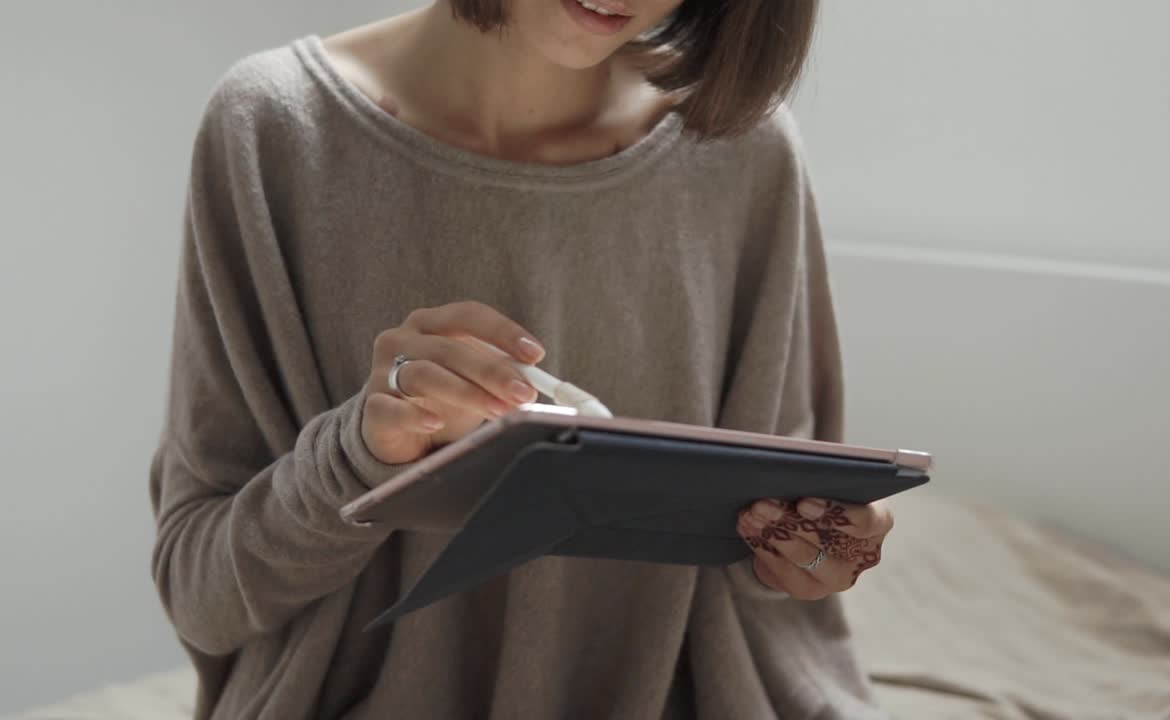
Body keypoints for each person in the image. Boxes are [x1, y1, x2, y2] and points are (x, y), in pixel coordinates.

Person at [149, 0, 896, 717]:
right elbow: (202, 594)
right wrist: (357, 455)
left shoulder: (741, 150)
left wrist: (801, 555)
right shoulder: (274, 128)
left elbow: (772, 565)